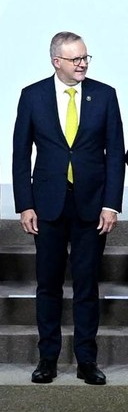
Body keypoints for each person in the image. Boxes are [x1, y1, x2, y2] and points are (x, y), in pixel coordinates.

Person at [13, 31, 125, 385]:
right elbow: (20, 154)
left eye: (85, 58)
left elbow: (115, 154)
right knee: (48, 285)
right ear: (56, 61)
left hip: (92, 206)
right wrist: (24, 204)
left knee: (86, 285)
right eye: (76, 59)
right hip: (47, 206)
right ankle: (47, 359)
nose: (82, 64)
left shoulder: (105, 95)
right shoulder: (32, 96)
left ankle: (86, 361)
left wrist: (111, 204)